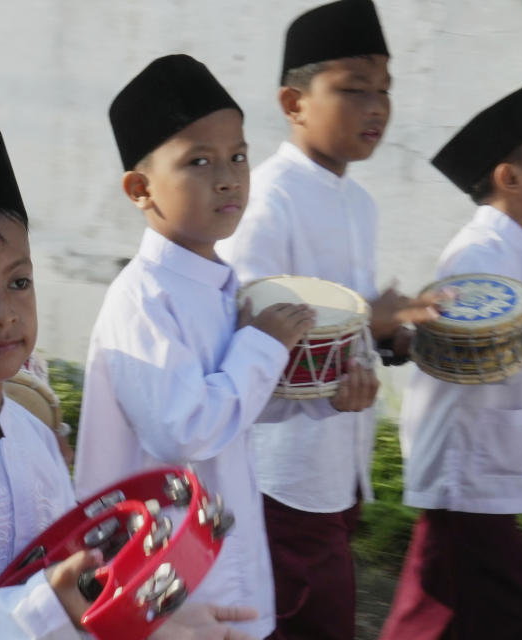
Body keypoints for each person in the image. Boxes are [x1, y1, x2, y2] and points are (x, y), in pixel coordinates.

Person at [0, 116, 265, 640]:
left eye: (19, 281)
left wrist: (157, 623)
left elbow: (76, 595)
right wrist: (40, 610)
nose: (3, 313)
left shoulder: (33, 437)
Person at [73, 53, 379, 640]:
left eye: (238, 155)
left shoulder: (223, 286)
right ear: (141, 188)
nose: (228, 176)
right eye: (199, 161)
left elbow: (240, 409)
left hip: (226, 554)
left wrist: (323, 398)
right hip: (162, 573)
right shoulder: (143, 298)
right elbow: (185, 428)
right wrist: (261, 346)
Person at [215, 3, 438, 636]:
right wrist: (372, 320)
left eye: (384, 91)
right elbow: (254, 334)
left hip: (339, 465)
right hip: (280, 474)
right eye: (353, 90)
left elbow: (354, 320)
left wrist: (398, 334)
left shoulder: (358, 202)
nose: (376, 107)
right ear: (294, 102)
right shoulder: (266, 203)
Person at [380, 84, 522, 640]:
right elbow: (502, 353)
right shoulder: (478, 253)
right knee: (492, 615)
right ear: (508, 177)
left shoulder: (517, 253)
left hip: (481, 471)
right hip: (464, 469)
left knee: (442, 614)